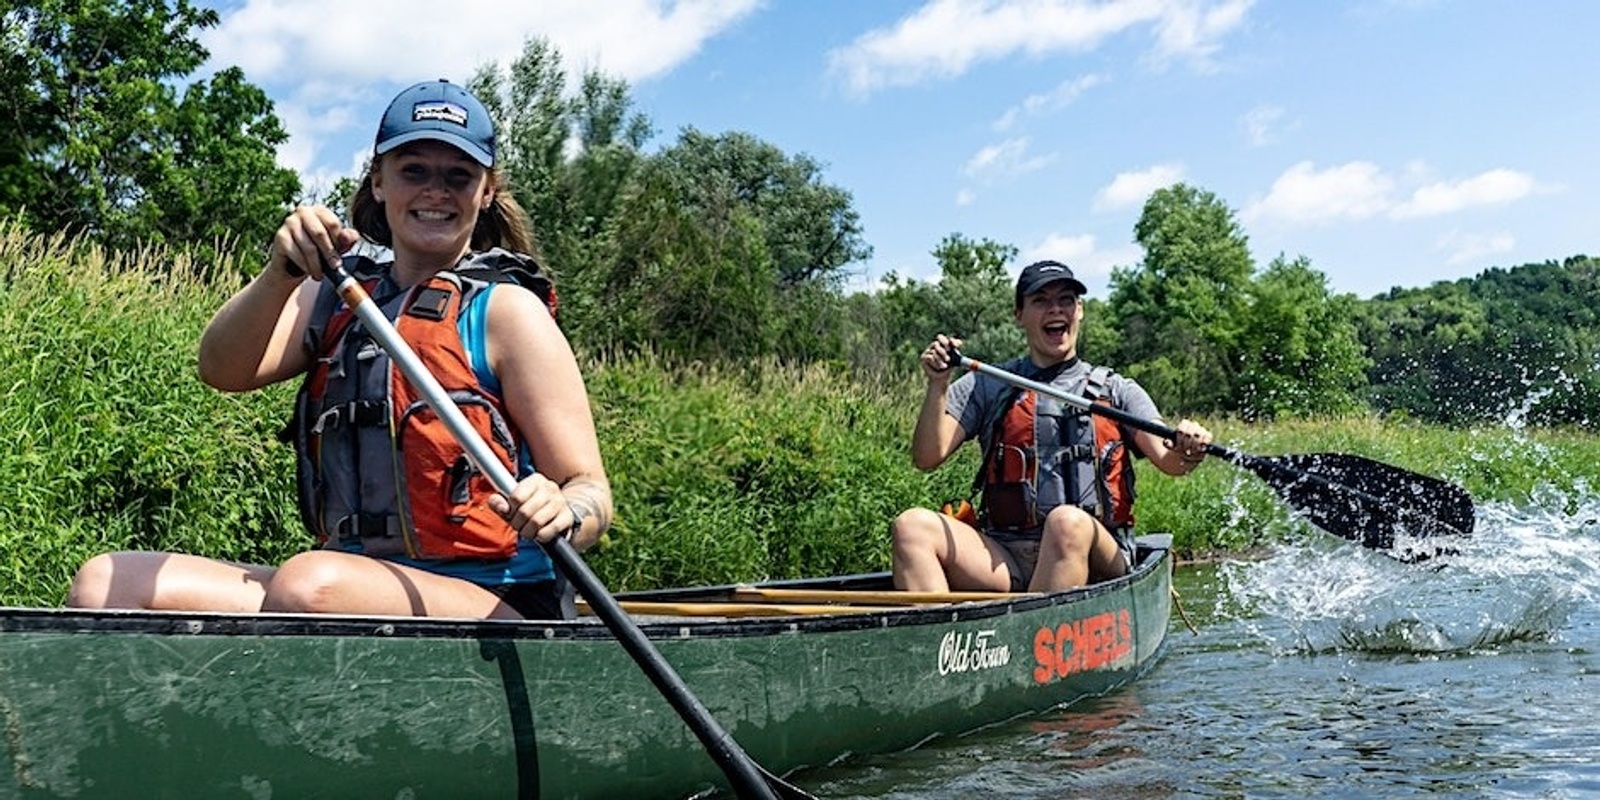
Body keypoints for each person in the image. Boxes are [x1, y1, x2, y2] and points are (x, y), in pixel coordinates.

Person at [67, 79, 612, 620]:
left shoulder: (508, 312)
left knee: (311, 585)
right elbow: (221, 369)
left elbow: (590, 491)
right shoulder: (339, 297)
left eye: (458, 176)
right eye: (414, 171)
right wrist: (280, 275)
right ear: (378, 181)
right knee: (107, 584)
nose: (436, 191)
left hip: (498, 597)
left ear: (486, 191)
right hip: (344, 583)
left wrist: (563, 508)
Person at [891, 259, 1212, 593]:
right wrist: (937, 385)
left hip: (1095, 553)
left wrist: (1189, 447)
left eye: (1066, 300)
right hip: (1006, 555)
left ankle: (1030, 637)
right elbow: (927, 457)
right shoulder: (987, 385)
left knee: (1065, 522)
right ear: (1019, 314)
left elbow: (1169, 461)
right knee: (911, 527)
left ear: (1080, 310)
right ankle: (941, 642)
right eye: (1041, 301)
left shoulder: (1116, 390)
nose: (1055, 309)